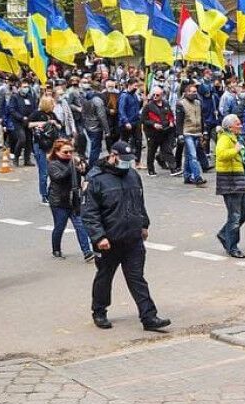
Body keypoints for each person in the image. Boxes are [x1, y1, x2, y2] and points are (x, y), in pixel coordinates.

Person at [81, 142, 169, 332]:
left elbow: (139, 203)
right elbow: (89, 213)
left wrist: (144, 225)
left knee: (137, 278)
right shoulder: (96, 179)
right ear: (113, 156)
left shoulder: (133, 176)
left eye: (130, 161)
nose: (127, 164)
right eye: (124, 160)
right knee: (104, 277)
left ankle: (149, 316)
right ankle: (99, 311)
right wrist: (99, 237)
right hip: (109, 241)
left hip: (132, 238)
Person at [46, 138, 94, 261]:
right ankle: (56, 249)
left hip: (74, 200)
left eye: (71, 152)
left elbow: (88, 173)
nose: (69, 154)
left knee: (80, 225)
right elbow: (59, 177)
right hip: (59, 201)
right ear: (57, 152)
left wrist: (83, 166)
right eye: (65, 152)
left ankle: (87, 251)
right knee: (60, 226)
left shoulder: (74, 161)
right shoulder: (53, 164)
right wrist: (72, 165)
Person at [213, 114, 245, 259]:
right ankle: (232, 246)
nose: (240, 126)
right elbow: (221, 155)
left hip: (239, 179)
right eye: (237, 124)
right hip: (229, 181)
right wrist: (235, 150)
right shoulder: (224, 138)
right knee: (235, 215)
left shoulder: (236, 138)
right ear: (230, 126)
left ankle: (224, 234)